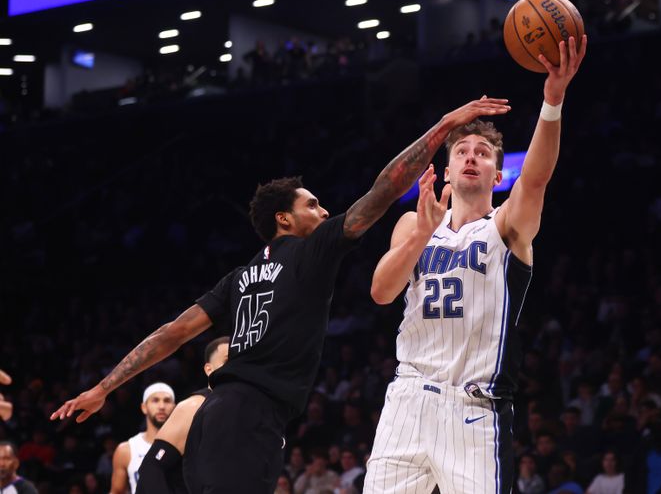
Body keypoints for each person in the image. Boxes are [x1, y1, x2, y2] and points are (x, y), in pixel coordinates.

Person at [51, 95, 511, 493]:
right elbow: (386, 188)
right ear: (284, 220)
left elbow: (171, 334)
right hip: (250, 416)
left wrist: (103, 387)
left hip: (216, 415)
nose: (324, 209)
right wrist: (446, 125)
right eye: (312, 204)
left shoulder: (238, 277)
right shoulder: (310, 255)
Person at [365, 35, 587, 494]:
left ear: (497, 175)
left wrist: (553, 100)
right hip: (408, 397)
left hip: (473, 408)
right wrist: (422, 235)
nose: (471, 157)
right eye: (461, 151)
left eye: (483, 154)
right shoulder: (414, 223)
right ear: (446, 171)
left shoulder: (507, 226)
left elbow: (539, 176)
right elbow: (382, 292)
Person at [136, 337, 229, 494]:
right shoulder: (195, 406)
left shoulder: (244, 412)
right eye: (227, 361)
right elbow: (152, 468)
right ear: (209, 369)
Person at [110, 383, 176, 494]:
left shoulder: (186, 445)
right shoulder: (126, 450)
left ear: (175, 407)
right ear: (144, 407)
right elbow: (116, 491)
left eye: (167, 401)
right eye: (155, 400)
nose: (161, 406)